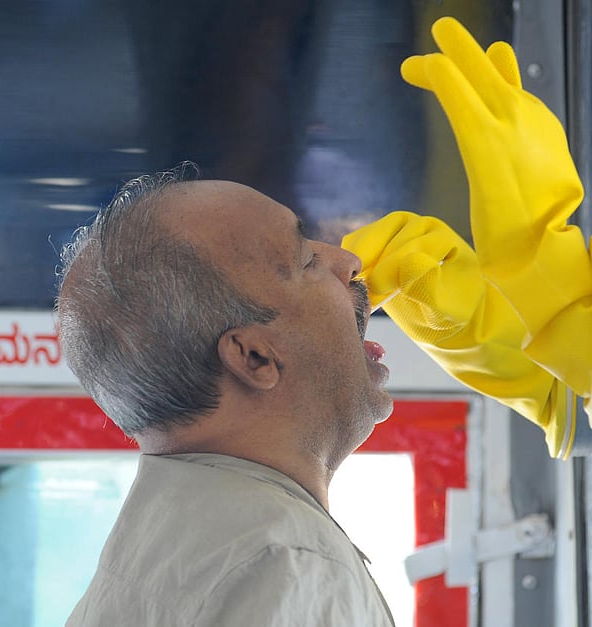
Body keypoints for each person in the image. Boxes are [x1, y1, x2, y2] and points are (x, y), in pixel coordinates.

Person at [56, 164, 396, 626]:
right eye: (305, 262)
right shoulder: (286, 562)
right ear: (254, 357)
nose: (348, 262)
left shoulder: (159, 547)